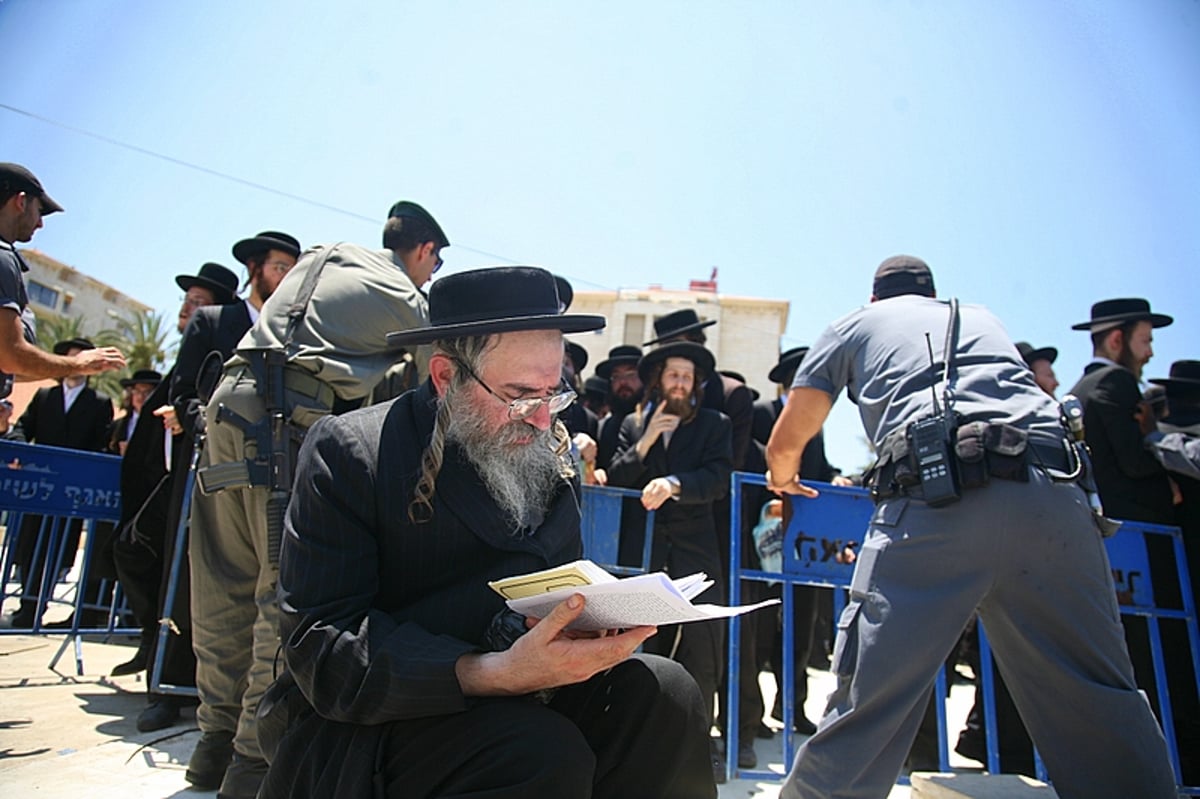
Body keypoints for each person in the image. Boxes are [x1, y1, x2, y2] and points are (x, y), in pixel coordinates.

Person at [256, 265, 715, 799]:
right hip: (384, 719)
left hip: (522, 696)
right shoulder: (353, 454)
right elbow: (326, 649)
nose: (542, 420)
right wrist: (492, 671)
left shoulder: (548, 453)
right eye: (521, 397)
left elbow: (552, 591)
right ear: (447, 376)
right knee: (539, 752)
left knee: (666, 694)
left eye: (554, 394)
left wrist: (587, 629)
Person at [767, 255, 1177, 799]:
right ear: (934, 294)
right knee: (1100, 695)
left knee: (870, 703)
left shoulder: (853, 324)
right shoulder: (981, 317)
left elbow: (790, 435)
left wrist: (784, 478)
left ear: (874, 299)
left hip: (937, 501)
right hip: (1056, 494)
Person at [185, 202, 442, 798]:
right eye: (432, 265)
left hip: (229, 404)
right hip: (286, 423)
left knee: (221, 587)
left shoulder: (328, 256)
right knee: (283, 598)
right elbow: (440, 373)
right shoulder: (408, 299)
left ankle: (212, 744)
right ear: (425, 253)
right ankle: (250, 765)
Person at [110, 262, 240, 737]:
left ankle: (179, 681)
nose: (188, 310)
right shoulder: (186, 357)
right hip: (171, 484)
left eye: (199, 303)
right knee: (137, 552)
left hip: (212, 478)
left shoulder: (235, 335)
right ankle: (157, 663)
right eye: (187, 303)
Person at [605, 340, 733, 779]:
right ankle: (640, 748)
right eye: (673, 375)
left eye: (687, 377)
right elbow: (615, 475)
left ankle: (701, 746)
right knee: (642, 646)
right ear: (658, 380)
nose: (679, 384)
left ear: (696, 384)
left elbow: (718, 478)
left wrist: (674, 482)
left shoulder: (715, 424)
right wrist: (646, 442)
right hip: (645, 554)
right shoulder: (632, 423)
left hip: (697, 551)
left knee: (701, 651)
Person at [10, 338, 115, 628]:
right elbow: (23, 427)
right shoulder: (45, 396)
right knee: (31, 546)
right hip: (39, 487)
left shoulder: (99, 403)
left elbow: (101, 442)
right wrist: (23, 451)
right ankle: (27, 607)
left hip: (70, 490)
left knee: (57, 551)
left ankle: (42, 602)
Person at [0, 163, 125, 396]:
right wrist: (78, 364)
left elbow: (11, 369)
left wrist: (69, 367)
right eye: (39, 210)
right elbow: (10, 356)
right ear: (20, 201)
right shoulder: (3, 259)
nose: (40, 223)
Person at [108, 370, 161, 455]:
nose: (141, 396)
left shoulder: (164, 426)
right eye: (137, 391)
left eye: (147, 392)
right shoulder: (117, 425)